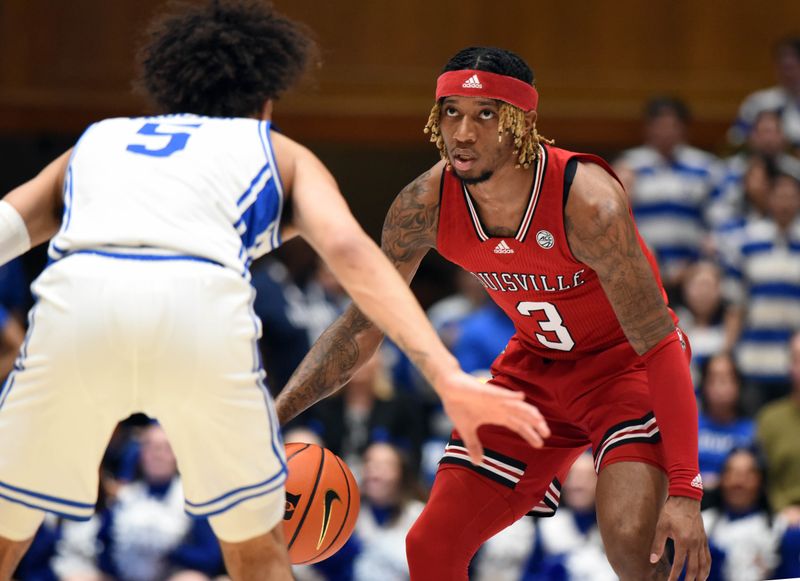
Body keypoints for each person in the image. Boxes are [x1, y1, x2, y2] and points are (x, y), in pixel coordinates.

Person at [0, 5, 547, 580]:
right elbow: (354, 255)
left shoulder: (98, 141)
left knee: (8, 531)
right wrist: (445, 373)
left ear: (164, 89)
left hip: (76, 313)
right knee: (257, 552)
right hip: (198, 317)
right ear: (265, 102)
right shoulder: (276, 150)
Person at [276, 46, 710, 580]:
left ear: (523, 122)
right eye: (451, 112)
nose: (462, 133)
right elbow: (362, 325)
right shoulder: (422, 206)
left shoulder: (591, 205)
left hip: (626, 369)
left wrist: (687, 491)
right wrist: (273, 417)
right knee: (430, 545)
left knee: (630, 545)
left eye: (485, 114)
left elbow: (660, 342)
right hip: (535, 370)